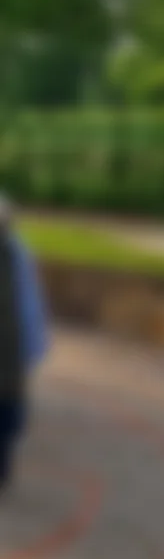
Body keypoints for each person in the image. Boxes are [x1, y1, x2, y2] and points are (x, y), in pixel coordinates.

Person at [0, 198, 49, 490]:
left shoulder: (17, 254)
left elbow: (31, 302)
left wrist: (34, 345)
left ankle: (3, 466)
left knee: (10, 413)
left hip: (11, 349)